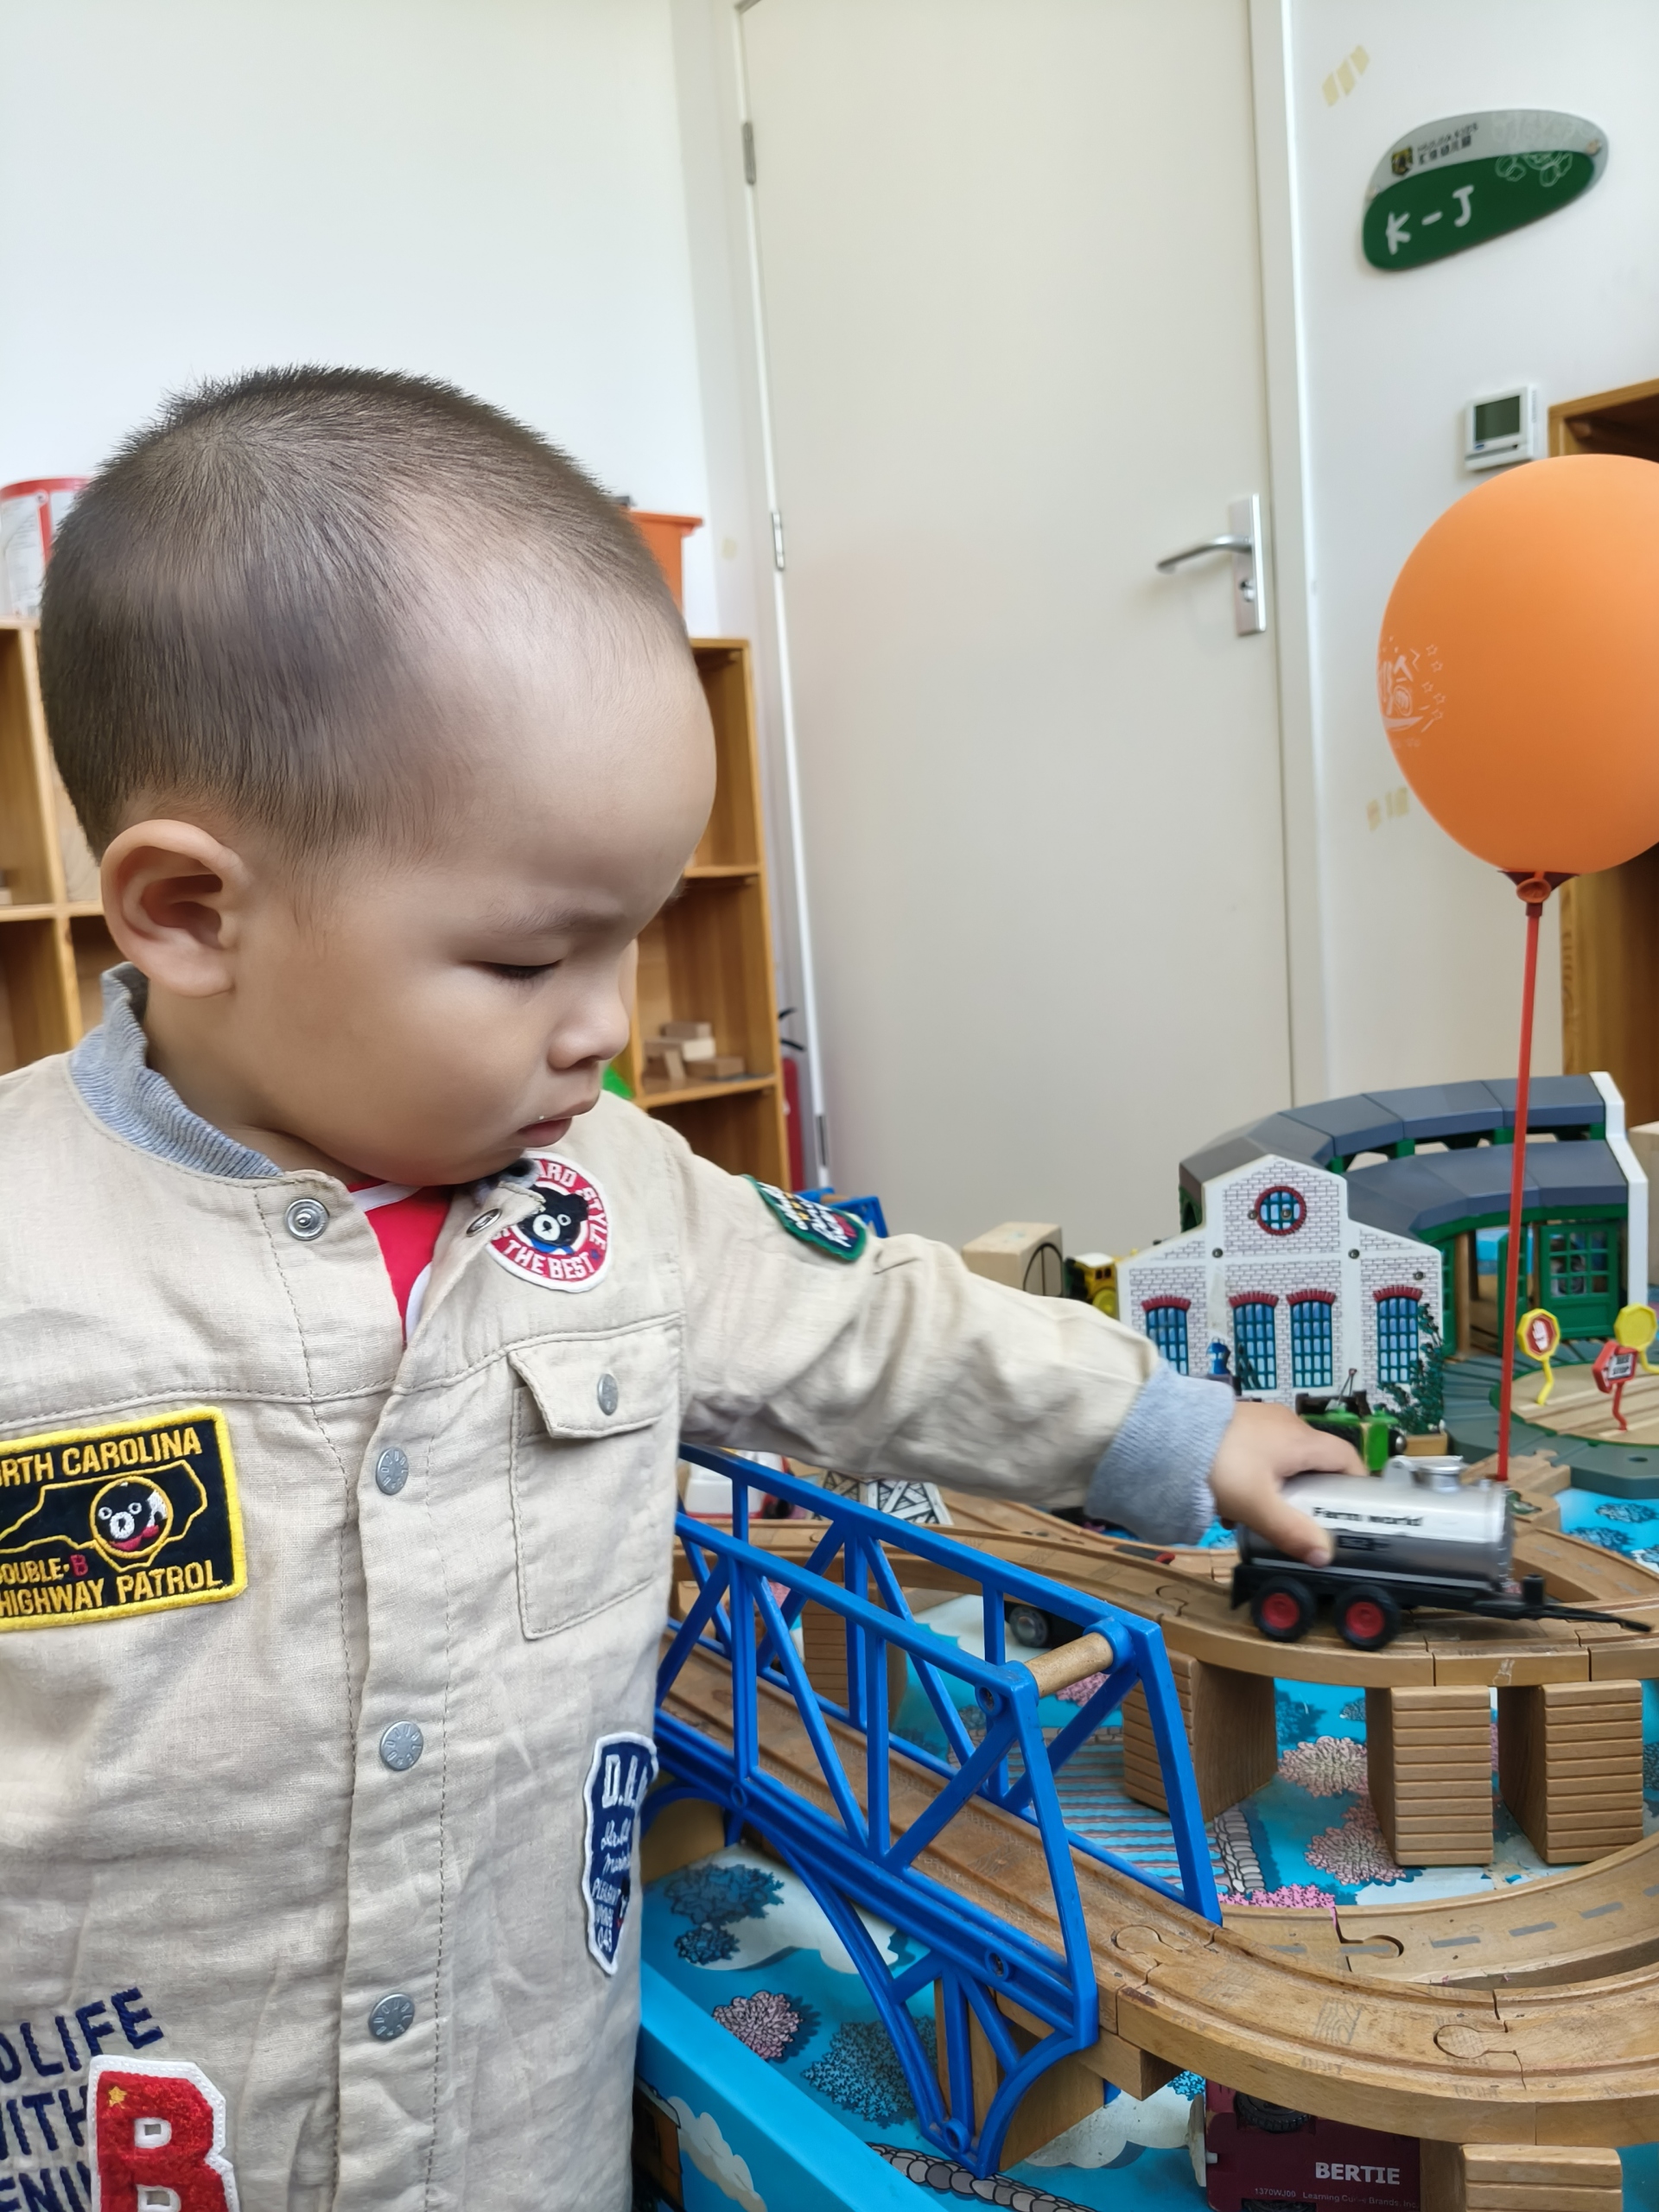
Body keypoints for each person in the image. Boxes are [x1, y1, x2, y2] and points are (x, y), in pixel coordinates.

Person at [0, 369, 1358, 2212]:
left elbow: (874, 1319)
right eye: (526, 957)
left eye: (631, 936)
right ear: (186, 912)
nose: (608, 1022)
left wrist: (1170, 1425)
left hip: (517, 2134)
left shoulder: (617, 1192)